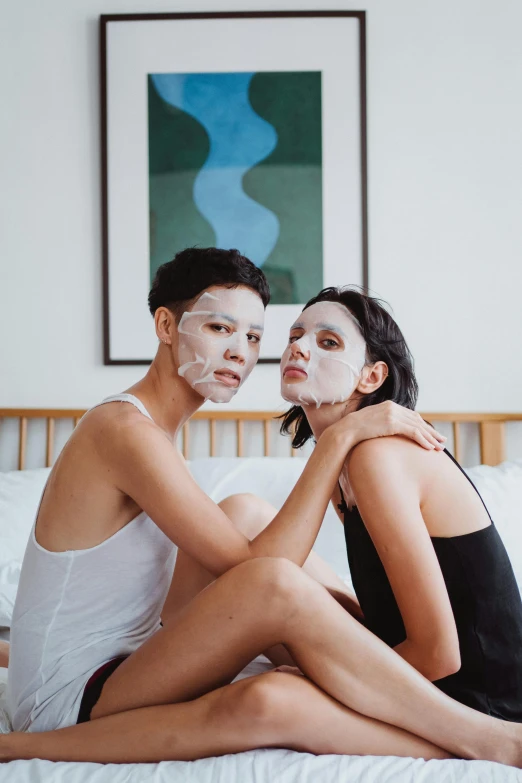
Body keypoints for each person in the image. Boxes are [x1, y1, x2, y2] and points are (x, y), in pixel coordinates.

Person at [2, 250, 522, 767]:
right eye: (220, 329)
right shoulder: (127, 433)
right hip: (74, 692)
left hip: (114, 666)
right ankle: (484, 737)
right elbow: (256, 579)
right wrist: (340, 439)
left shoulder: (157, 435)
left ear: (371, 376)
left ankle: (465, 725)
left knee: (245, 513)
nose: (240, 352)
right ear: (166, 325)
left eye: (252, 337)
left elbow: (218, 594)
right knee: (271, 583)